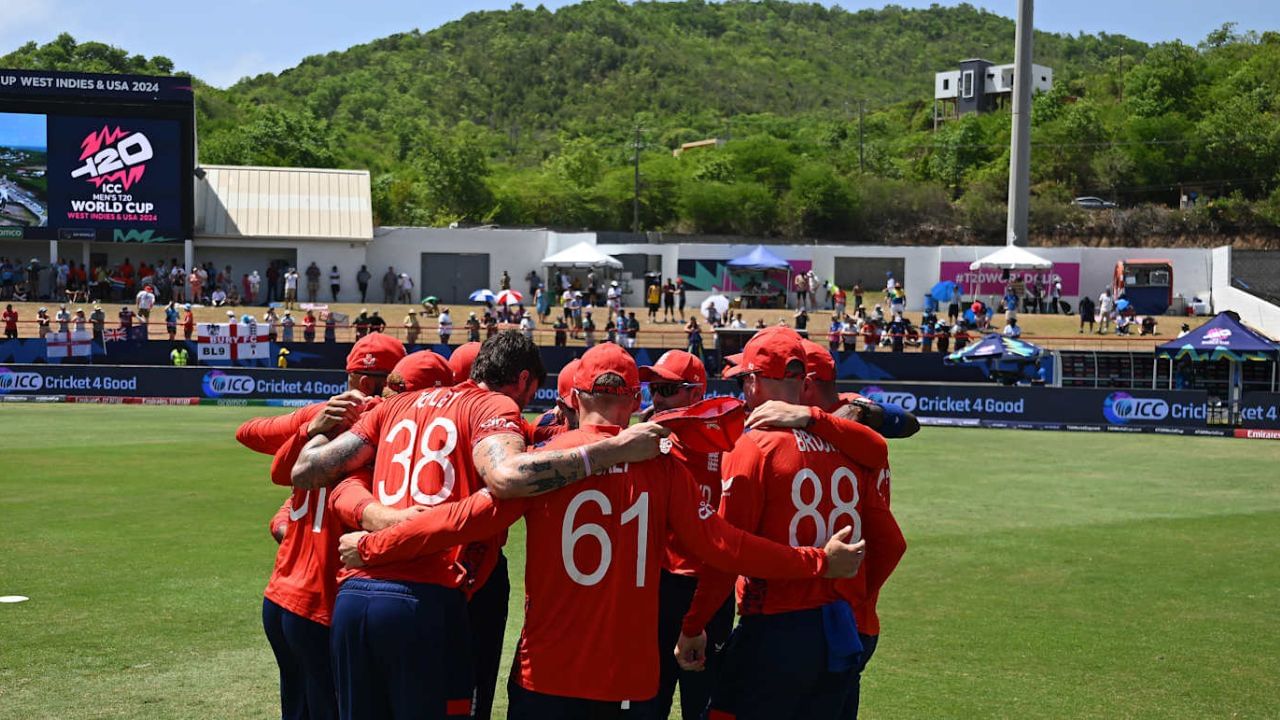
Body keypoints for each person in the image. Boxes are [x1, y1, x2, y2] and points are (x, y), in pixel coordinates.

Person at [341, 344, 867, 720]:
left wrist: (373, 542)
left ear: (571, 395)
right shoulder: (663, 468)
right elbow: (724, 547)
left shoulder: (545, 460)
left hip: (545, 675)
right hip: (629, 682)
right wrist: (818, 561)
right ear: (636, 398)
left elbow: (461, 519)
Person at [291, 333, 670, 720]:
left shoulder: (398, 405)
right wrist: (617, 448)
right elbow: (506, 477)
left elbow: (307, 470)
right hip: (431, 593)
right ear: (524, 381)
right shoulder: (495, 407)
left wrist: (316, 431)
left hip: (356, 594)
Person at [676, 328, 903, 720]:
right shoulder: (847, 445)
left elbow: (727, 551)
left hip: (775, 628)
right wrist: (856, 598)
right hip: (838, 627)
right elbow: (891, 542)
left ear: (752, 381)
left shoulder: (754, 445)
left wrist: (695, 624)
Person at [238, 336, 421, 720]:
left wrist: (309, 429)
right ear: (375, 383)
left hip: (281, 597)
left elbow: (252, 437)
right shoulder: (389, 430)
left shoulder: (320, 417)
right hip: (326, 603)